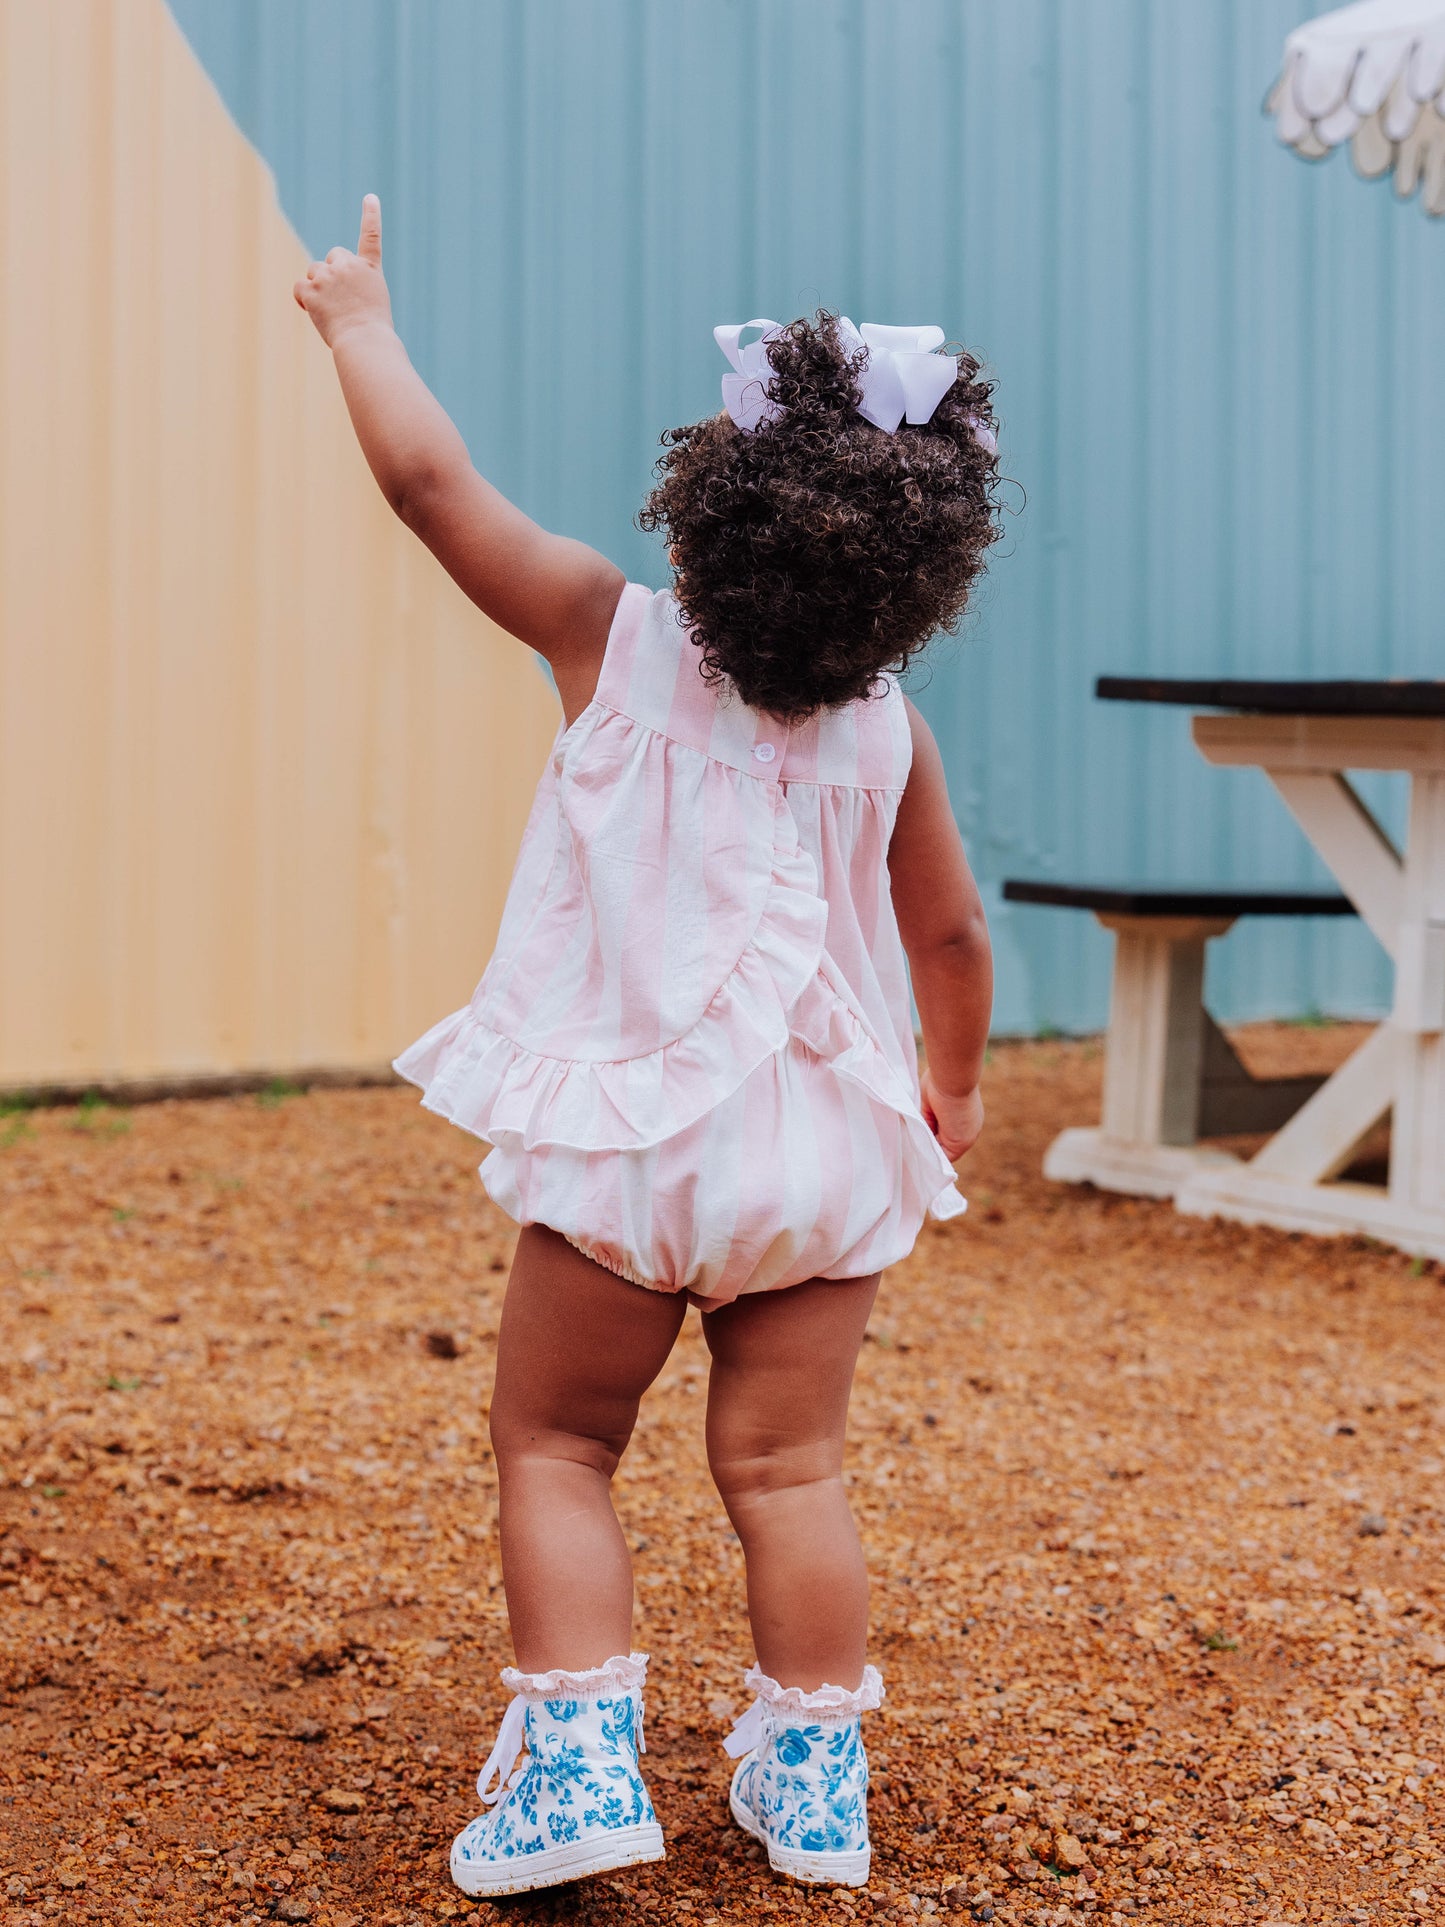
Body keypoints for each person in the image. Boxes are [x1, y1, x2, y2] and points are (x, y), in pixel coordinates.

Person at [295, 196, 997, 1898]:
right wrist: (952, 1087)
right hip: (822, 1152)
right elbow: (950, 940)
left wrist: (358, 325)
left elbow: (429, 490)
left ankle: (577, 1774)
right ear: (915, 575)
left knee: (554, 1446)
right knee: (789, 1466)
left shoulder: (607, 637)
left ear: (714, 508)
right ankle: (813, 1778)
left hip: (630, 1136)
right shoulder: (884, 731)